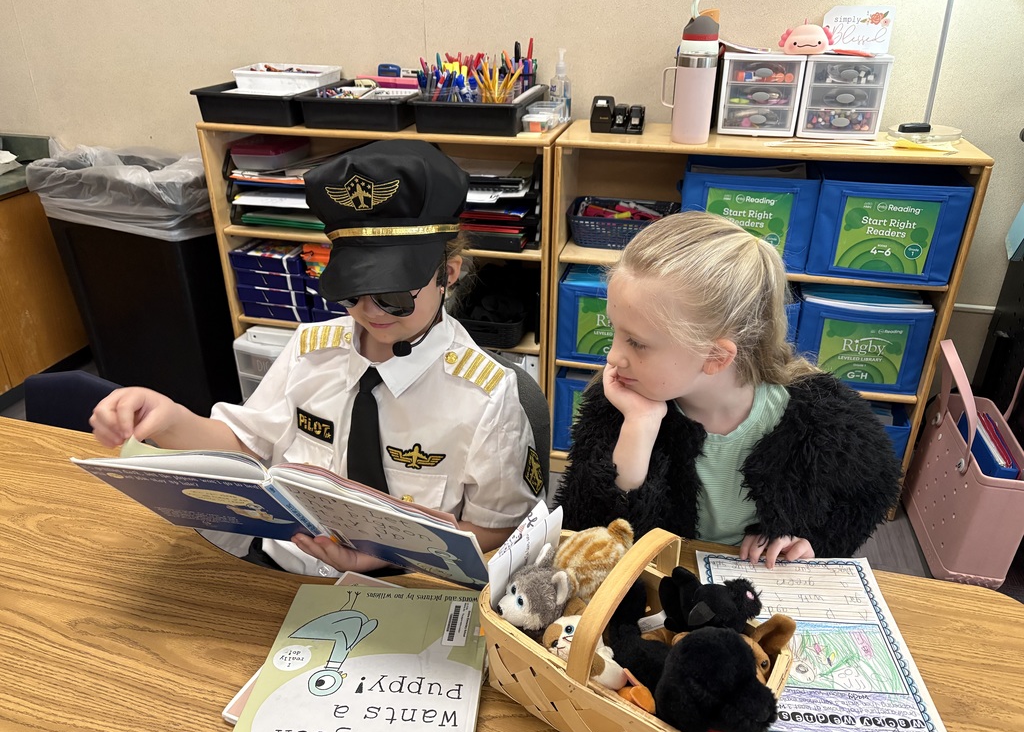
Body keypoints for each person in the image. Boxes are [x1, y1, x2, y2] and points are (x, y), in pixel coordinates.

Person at [91, 140, 544, 577]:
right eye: (351, 292)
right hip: (285, 567)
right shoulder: (312, 351)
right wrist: (168, 418)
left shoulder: (484, 396)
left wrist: (390, 554)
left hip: (405, 584)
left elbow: (498, 528)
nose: (369, 312)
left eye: (391, 295)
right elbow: (247, 448)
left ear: (447, 273)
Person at [553, 210, 901, 567]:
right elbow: (585, 531)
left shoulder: (821, 416)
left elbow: (873, 491)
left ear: (716, 356)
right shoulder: (616, 403)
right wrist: (638, 429)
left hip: (761, 585)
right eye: (615, 331)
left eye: (637, 343)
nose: (613, 356)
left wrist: (815, 543)